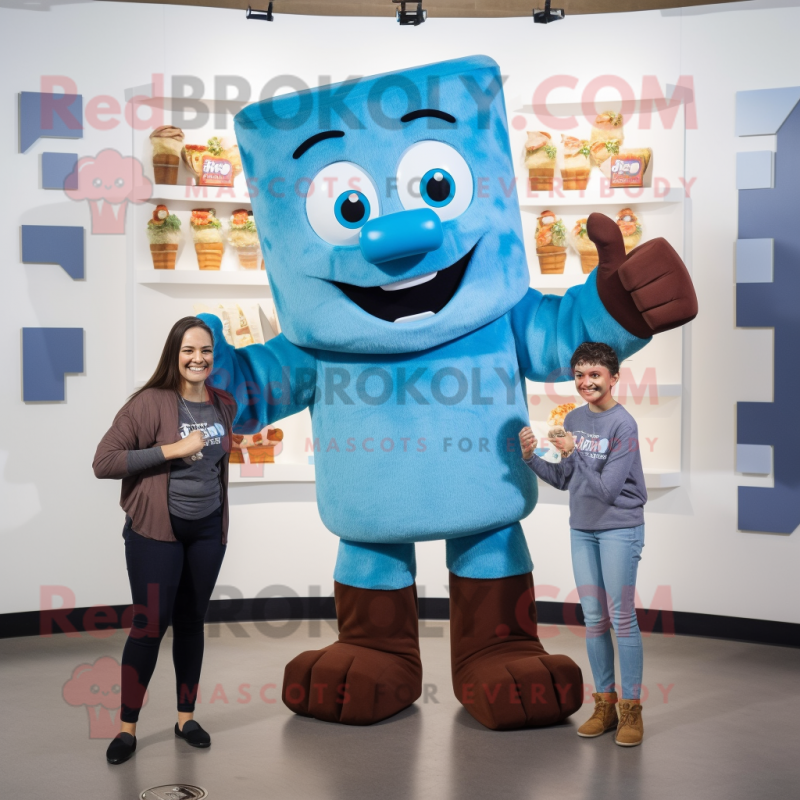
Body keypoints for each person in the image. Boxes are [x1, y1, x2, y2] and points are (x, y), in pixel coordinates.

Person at [93, 317, 237, 765]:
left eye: (206, 351)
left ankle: (185, 718)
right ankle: (126, 729)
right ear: (174, 354)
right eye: (189, 350)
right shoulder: (149, 403)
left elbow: (215, 465)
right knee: (149, 625)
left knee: (191, 622)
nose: (198, 359)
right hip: (156, 531)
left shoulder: (223, 404)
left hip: (208, 530)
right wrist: (172, 450)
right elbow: (105, 461)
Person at [518, 341, 647, 747]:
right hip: (582, 528)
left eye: (594, 375)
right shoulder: (573, 418)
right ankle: (604, 706)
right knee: (594, 619)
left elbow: (608, 489)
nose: (585, 382)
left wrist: (577, 454)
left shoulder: (623, 425)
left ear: (613, 378)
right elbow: (564, 480)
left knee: (621, 618)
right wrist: (531, 459)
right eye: (579, 375)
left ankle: (632, 712)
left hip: (619, 528)